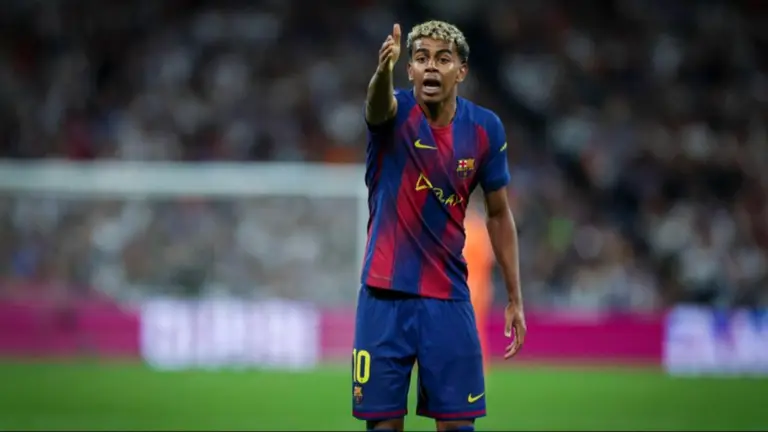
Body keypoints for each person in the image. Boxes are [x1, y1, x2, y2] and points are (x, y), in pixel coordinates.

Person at [352, 20, 526, 432]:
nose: (431, 66)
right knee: (382, 427)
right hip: (383, 297)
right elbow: (376, 107)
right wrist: (382, 72)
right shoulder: (393, 111)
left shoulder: (484, 129)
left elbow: (499, 214)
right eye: (421, 58)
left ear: (461, 70)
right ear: (409, 69)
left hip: (447, 300)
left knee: (458, 427)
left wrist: (515, 297)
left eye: (443, 59)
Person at [464, 203, 495, 373]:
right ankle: (478, 367)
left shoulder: (466, 229)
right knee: (476, 328)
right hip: (479, 286)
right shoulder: (481, 230)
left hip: (467, 286)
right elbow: (489, 259)